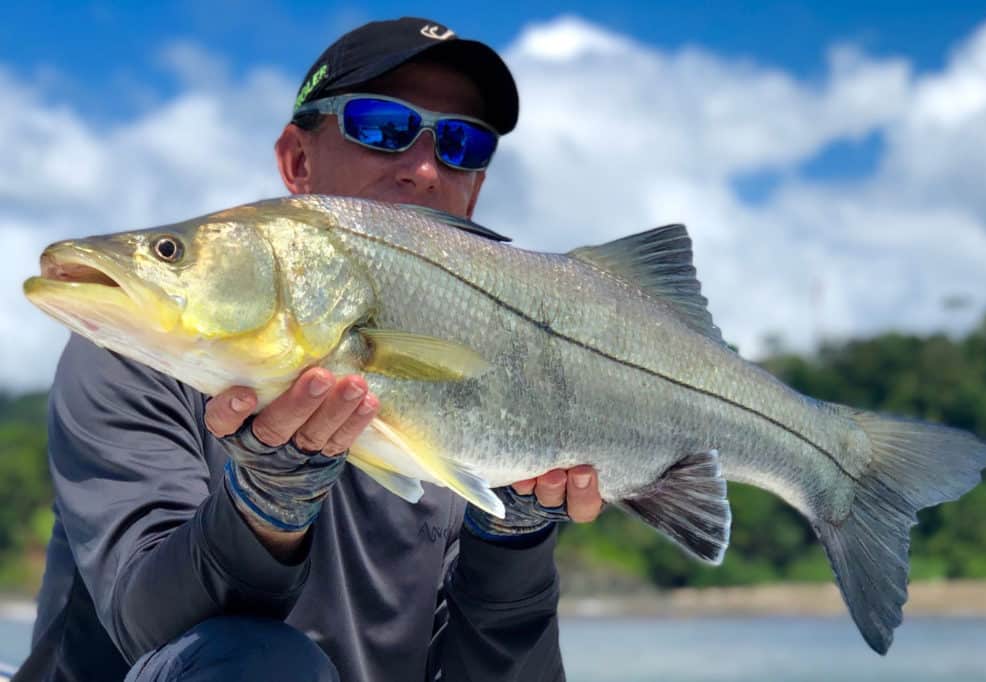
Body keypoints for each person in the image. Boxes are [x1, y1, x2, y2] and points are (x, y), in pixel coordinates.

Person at [15, 17, 604, 682]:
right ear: (298, 161)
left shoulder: (483, 403)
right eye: (382, 126)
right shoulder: (131, 355)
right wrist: (267, 504)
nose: (423, 169)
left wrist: (513, 540)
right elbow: (149, 628)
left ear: (476, 191)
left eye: (462, 145)